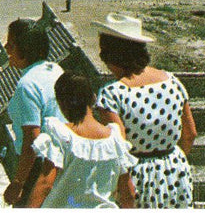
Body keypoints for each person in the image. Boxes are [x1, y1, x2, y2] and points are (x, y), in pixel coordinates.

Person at [90, 14, 196, 208]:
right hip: (175, 172)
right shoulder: (172, 81)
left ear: (110, 55)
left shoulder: (112, 94)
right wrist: (170, 163)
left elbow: (119, 149)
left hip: (137, 177)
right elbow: (190, 134)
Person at [26, 72, 136, 208]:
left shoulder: (60, 134)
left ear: (62, 104)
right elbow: (128, 193)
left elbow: (45, 184)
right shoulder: (115, 139)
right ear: (93, 98)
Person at [2, 17, 64, 207]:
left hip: (37, 168)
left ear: (25, 50)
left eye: (11, 45)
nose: (6, 48)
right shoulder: (56, 70)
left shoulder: (27, 85)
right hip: (60, 161)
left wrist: (18, 182)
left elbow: (32, 140)